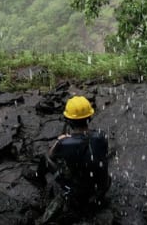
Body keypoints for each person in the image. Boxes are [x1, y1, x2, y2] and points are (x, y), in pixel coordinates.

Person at [37, 95, 111, 224]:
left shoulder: (64, 143)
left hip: (79, 193)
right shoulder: (101, 136)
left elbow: (50, 156)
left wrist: (61, 140)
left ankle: (39, 179)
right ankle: (96, 198)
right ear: (90, 117)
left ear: (68, 120)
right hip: (102, 185)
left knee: (45, 159)